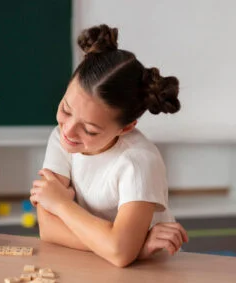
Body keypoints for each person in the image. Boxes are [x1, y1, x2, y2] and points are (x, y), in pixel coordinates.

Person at [30, 24, 188, 267]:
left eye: (90, 129)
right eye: (65, 109)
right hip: (98, 264)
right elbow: (48, 230)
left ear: (126, 127)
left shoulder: (138, 161)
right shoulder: (62, 137)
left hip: (150, 270)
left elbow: (120, 252)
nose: (68, 130)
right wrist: (132, 247)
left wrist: (61, 204)